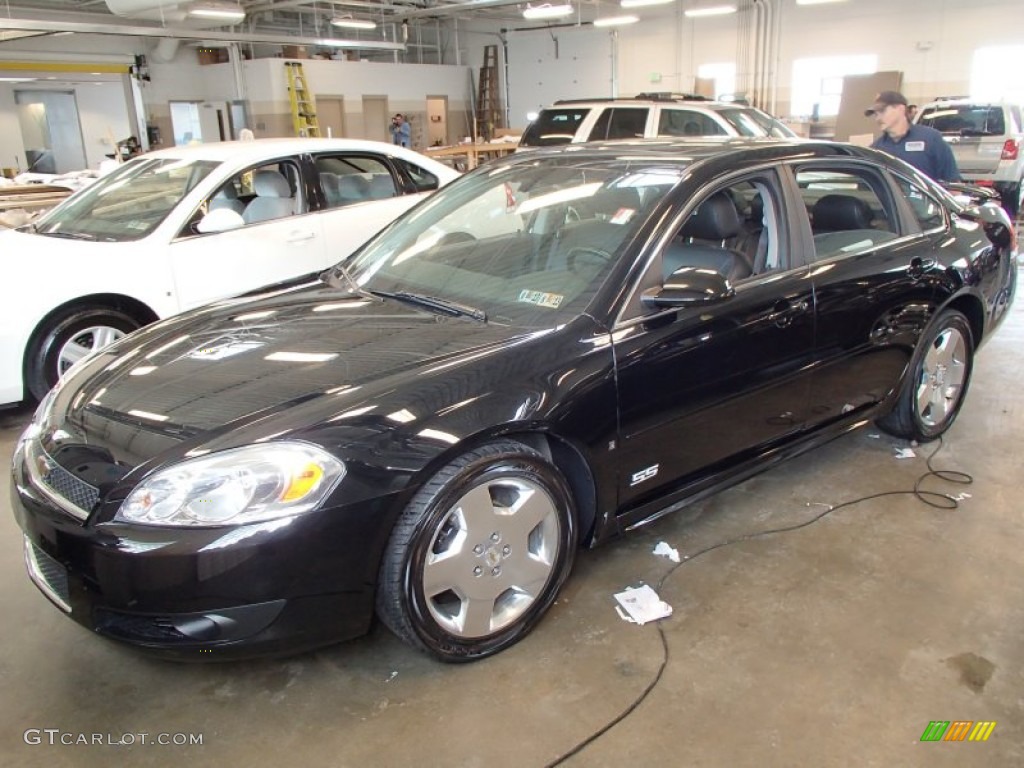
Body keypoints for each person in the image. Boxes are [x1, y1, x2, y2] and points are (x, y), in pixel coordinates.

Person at [865, 91, 959, 182]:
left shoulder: (931, 139)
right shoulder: (875, 150)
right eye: (876, 114)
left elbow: (952, 181)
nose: (878, 118)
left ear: (900, 109)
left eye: (882, 111)